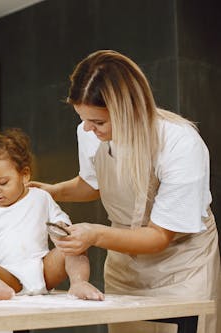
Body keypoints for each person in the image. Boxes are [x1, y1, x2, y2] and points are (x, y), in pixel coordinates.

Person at [29, 50, 220, 332]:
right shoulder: (90, 132)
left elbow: (159, 236)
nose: (87, 128)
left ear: (130, 109)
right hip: (125, 267)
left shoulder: (180, 144)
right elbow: (93, 182)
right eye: (83, 119)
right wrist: (52, 191)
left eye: (98, 122)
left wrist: (94, 234)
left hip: (182, 268)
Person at [0, 128, 104, 301]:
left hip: (44, 271)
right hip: (9, 278)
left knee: (74, 242)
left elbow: (62, 223)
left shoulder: (41, 197)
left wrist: (63, 229)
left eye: (3, 182)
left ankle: (79, 283)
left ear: (24, 175)